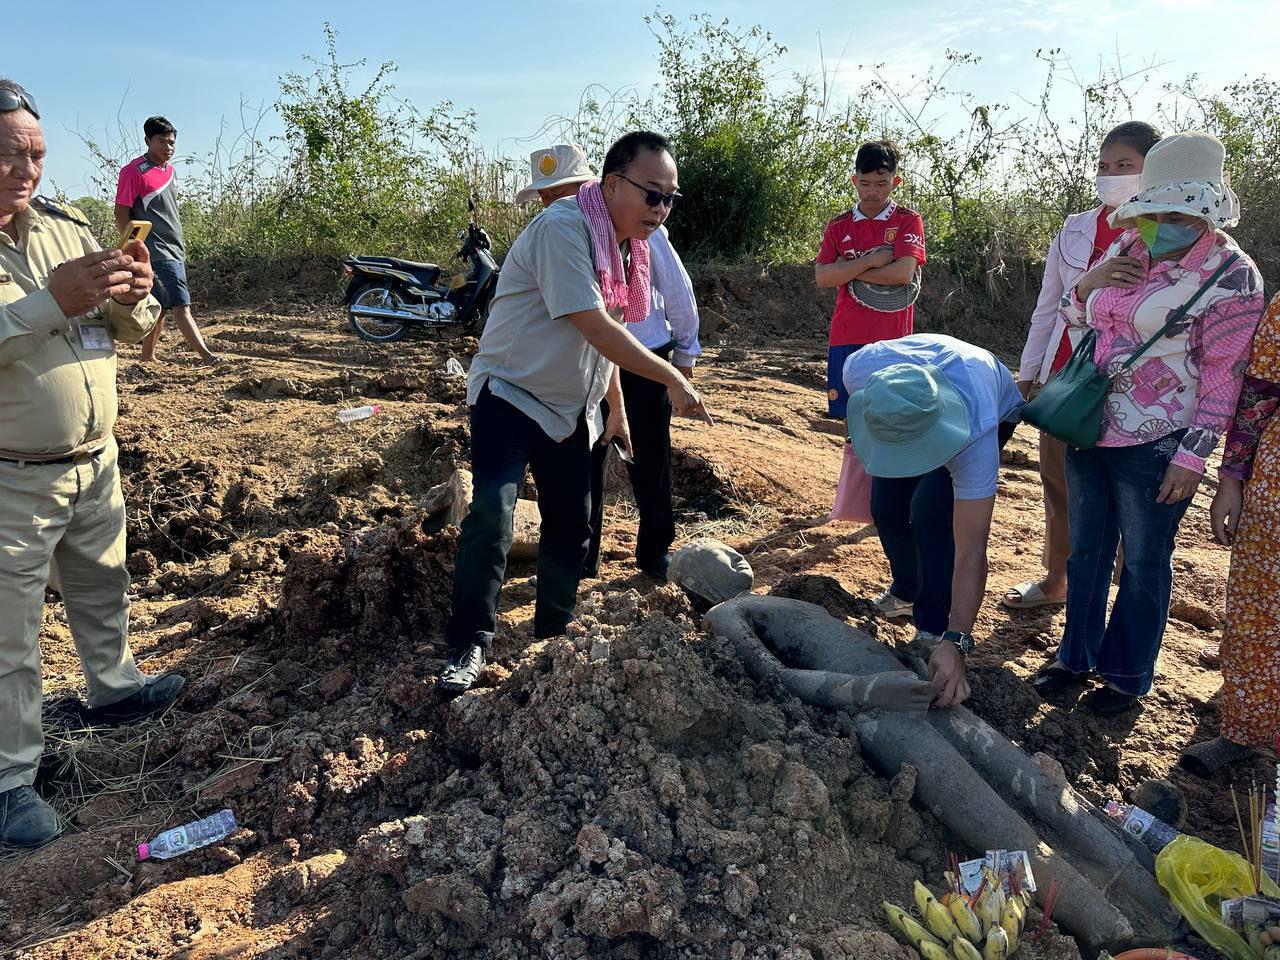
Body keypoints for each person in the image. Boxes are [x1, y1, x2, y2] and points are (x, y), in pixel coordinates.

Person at [439, 131, 712, 694]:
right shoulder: (563, 228)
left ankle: (552, 639)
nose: (661, 208)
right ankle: (470, 643)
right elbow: (593, 324)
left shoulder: (629, 248)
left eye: (669, 198)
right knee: (492, 511)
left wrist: (616, 408)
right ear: (611, 185)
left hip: (569, 407)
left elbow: (604, 340)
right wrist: (671, 376)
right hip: (511, 394)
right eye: (652, 194)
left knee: (571, 525)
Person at [0, 80, 186, 850]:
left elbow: (119, 322)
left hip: (93, 459)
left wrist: (134, 295)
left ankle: (114, 691)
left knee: (103, 584)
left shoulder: (64, 227)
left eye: (36, 154)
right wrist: (53, 300)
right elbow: (42, 314)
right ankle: (8, 781)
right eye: (9, 154)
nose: (27, 169)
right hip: (12, 475)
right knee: (9, 635)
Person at [1030, 131, 1265, 715]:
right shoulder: (1130, 244)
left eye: (1174, 214)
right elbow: (1079, 320)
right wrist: (1086, 285)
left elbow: (1224, 376)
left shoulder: (1231, 277)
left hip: (1158, 441)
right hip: (1091, 423)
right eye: (1152, 211)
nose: (1159, 225)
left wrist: (1193, 456)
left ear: (1206, 210)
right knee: (1085, 551)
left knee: (1142, 561)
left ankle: (1127, 676)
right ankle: (1074, 657)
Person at [516, 144, 703, 581]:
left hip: (646, 361)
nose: (555, 205)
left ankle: (655, 550)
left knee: (650, 458)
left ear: (598, 188)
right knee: (588, 460)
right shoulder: (558, 237)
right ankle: (584, 557)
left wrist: (684, 357)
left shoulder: (643, 230)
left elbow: (679, 294)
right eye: (547, 198)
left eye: (564, 193)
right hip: (590, 362)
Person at [1005, 121, 1162, 610]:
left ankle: (1121, 592)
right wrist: (1027, 376)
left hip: (1130, 384)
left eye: (1125, 165)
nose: (1111, 176)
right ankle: (1058, 578)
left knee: (1126, 490)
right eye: (1104, 166)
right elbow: (1048, 306)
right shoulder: (1074, 229)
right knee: (1059, 481)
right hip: (1067, 377)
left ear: (1153, 170)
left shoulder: (1165, 233)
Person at [843, 333, 1024, 708]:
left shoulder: (976, 435)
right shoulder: (858, 370)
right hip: (912, 402)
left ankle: (933, 627)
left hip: (989, 399)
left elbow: (971, 551)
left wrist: (958, 640)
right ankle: (906, 591)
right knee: (886, 507)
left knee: (930, 515)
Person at [1179, 293, 1280, 776]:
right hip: (1275, 489)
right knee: (1257, 611)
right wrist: (1232, 479)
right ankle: (1244, 730)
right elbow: (1260, 392)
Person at [814, 139, 927, 422]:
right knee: (847, 420)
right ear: (854, 181)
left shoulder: (907, 220)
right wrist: (870, 261)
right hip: (845, 335)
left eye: (881, 183)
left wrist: (847, 270)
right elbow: (822, 277)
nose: (872, 191)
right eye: (865, 184)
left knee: (888, 419)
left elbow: (903, 273)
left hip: (893, 340)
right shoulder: (838, 225)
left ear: (895, 182)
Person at [114, 115, 221, 364]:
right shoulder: (133, 172)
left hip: (175, 248)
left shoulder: (170, 172)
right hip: (155, 250)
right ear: (147, 141)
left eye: (171, 142)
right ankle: (207, 356)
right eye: (162, 141)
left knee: (160, 305)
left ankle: (147, 356)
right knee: (181, 305)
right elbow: (121, 211)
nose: (168, 147)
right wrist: (132, 246)